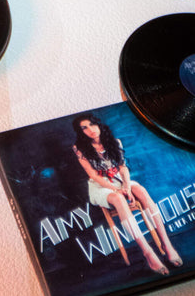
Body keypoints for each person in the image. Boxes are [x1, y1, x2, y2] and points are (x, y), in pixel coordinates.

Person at [72, 115, 182, 275]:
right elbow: (94, 175)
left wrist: (127, 187)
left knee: (141, 191)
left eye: (92, 124)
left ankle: (167, 244)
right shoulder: (79, 148)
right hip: (100, 187)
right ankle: (148, 252)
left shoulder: (115, 142)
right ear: (81, 132)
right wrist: (117, 190)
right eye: (84, 128)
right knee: (118, 198)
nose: (90, 130)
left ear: (98, 124)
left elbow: (122, 168)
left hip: (118, 181)